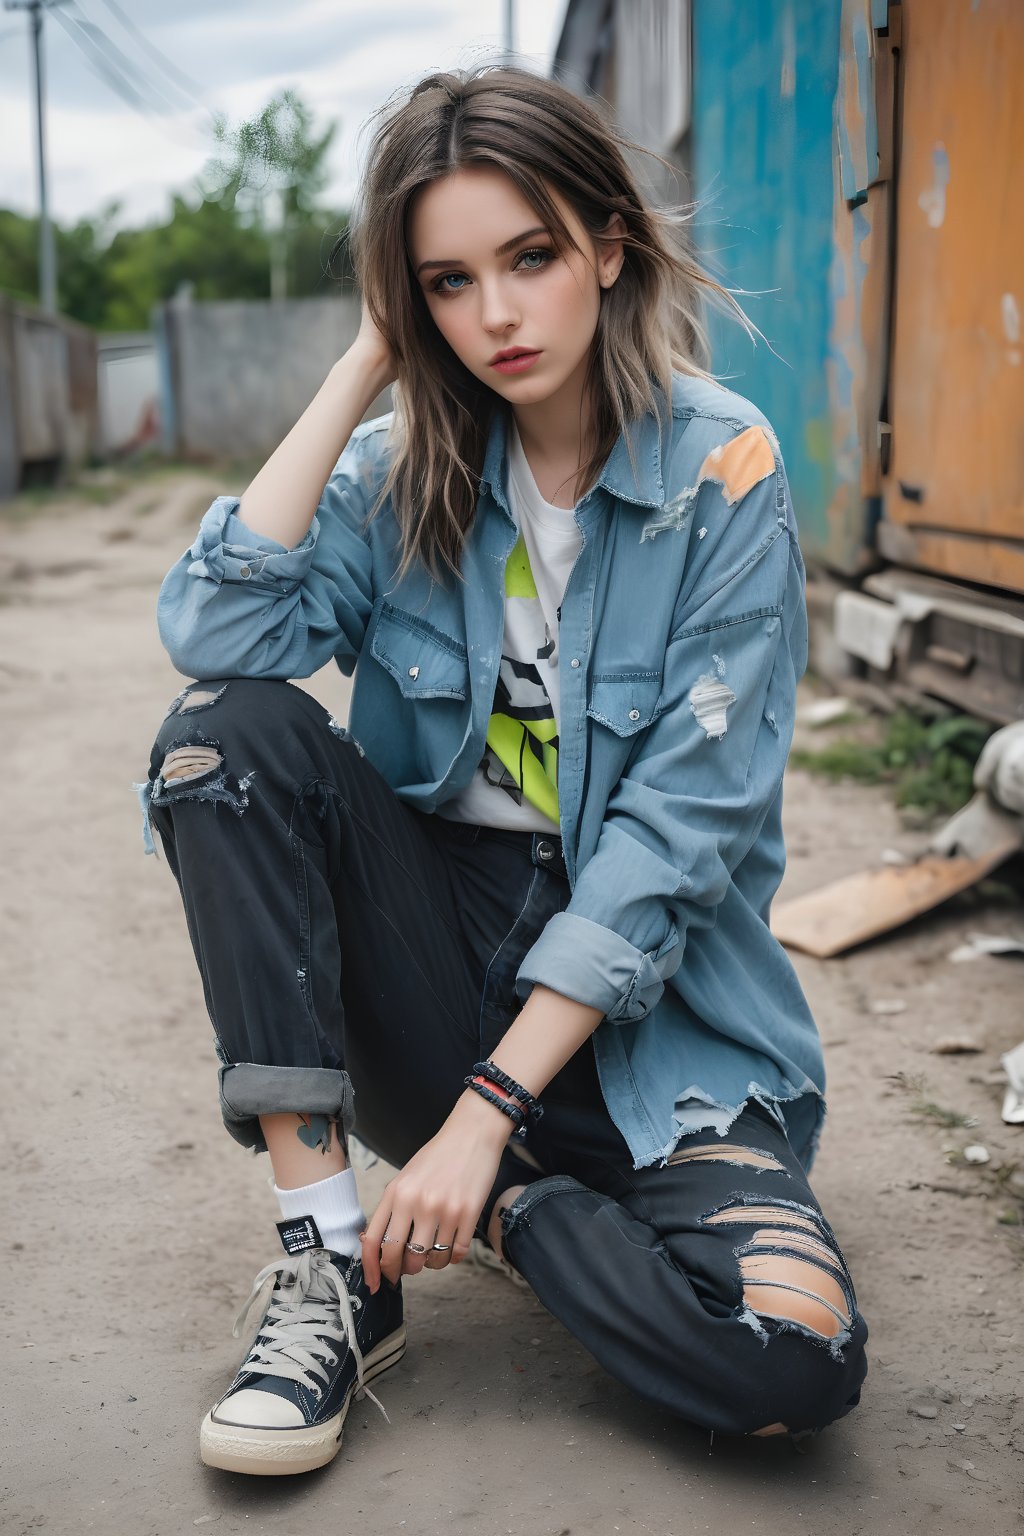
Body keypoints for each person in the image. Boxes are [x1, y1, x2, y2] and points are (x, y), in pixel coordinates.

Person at [142, 64, 868, 1477]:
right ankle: (334, 1268)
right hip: (446, 976)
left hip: (661, 1047)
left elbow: (675, 841)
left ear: (608, 242)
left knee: (788, 1366)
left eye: (529, 257)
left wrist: (486, 1131)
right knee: (222, 737)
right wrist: (366, 358)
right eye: (448, 281)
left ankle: (521, 1206)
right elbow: (213, 627)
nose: (496, 315)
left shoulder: (724, 472)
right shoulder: (399, 467)